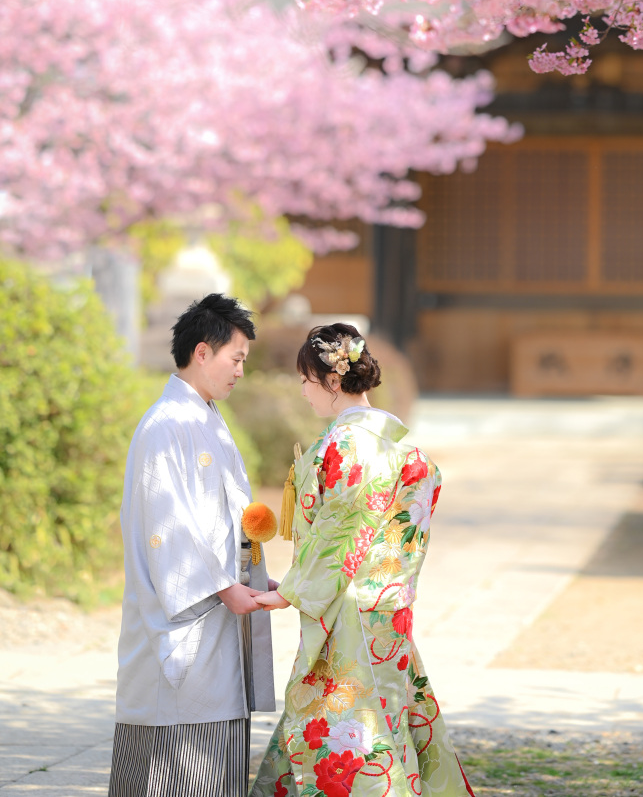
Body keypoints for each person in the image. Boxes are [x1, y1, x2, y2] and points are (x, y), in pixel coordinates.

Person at [251, 323, 474, 797]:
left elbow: (337, 536)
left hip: (347, 613)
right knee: (384, 725)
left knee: (349, 738)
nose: (304, 393)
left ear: (333, 382)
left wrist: (289, 594)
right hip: (390, 612)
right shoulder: (410, 455)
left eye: (307, 382)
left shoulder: (345, 447)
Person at [108, 293, 276, 797]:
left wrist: (254, 579)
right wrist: (228, 588)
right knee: (177, 768)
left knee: (212, 762)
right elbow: (170, 528)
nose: (240, 372)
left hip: (217, 616)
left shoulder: (204, 419)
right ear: (202, 352)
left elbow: (224, 523)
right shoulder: (166, 425)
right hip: (186, 621)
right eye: (236, 359)